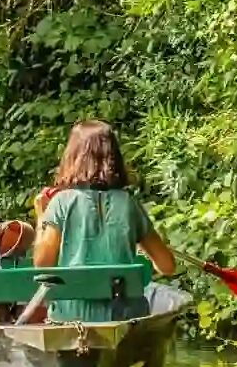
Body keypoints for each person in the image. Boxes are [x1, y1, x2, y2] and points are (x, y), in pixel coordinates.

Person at [33, 120, 175, 322]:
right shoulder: (129, 204)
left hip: (73, 317)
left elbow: (42, 265)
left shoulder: (61, 203)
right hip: (125, 317)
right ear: (114, 157)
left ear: (73, 157)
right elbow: (167, 266)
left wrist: (41, 218)